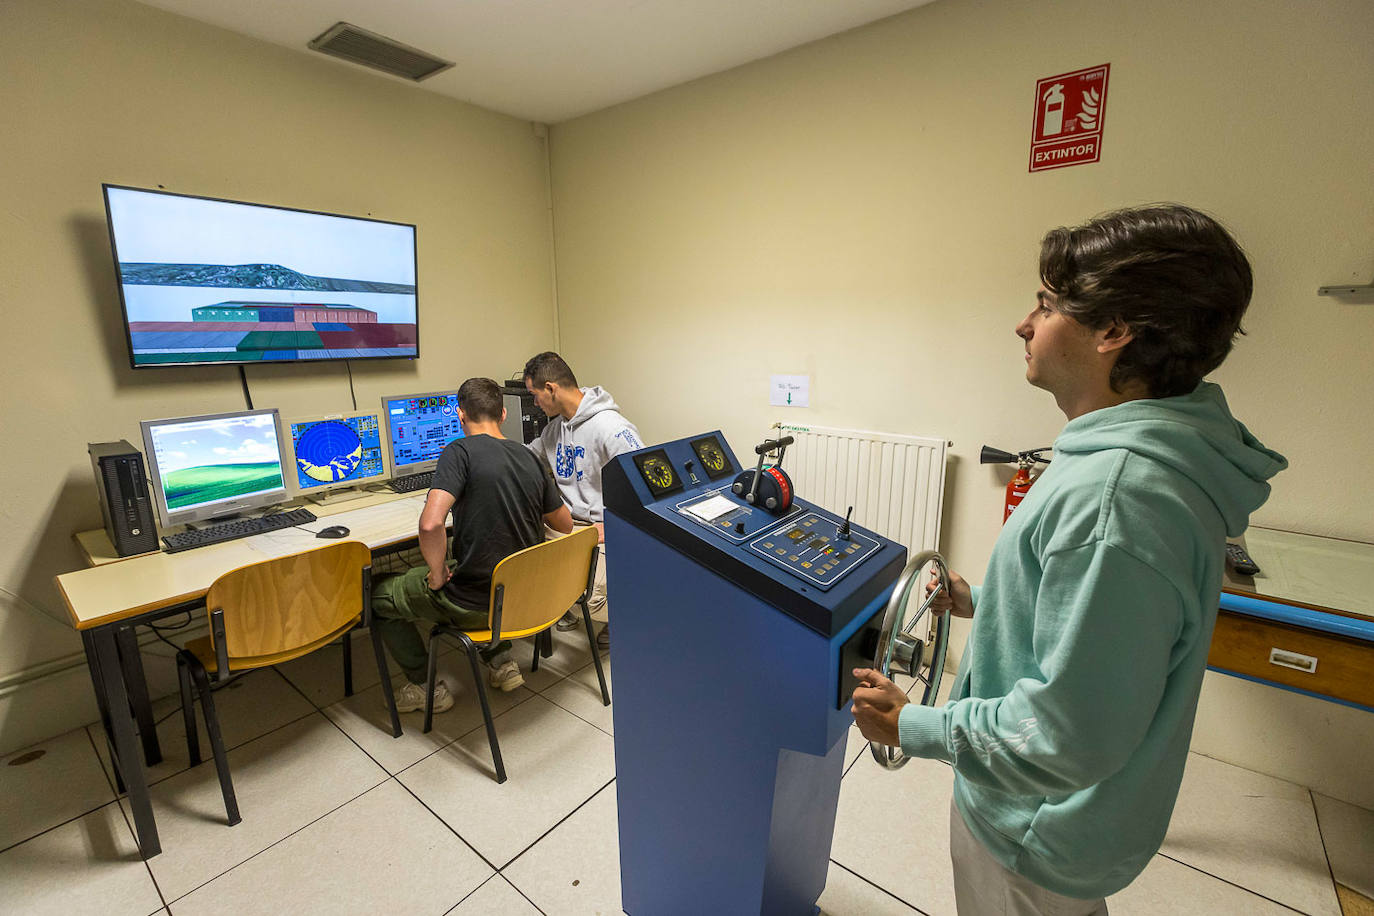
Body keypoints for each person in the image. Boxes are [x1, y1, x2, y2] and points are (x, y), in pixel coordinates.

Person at [851, 205, 1287, 914]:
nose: (1025, 323)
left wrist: (913, 725)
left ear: (1114, 332)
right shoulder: (1148, 456)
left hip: (1034, 829)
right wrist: (984, 601)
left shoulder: (1118, 498)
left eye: (1048, 305)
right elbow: (1097, 636)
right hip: (1071, 823)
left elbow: (1066, 734)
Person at [372, 377, 572, 714]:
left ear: (460, 415)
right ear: (504, 414)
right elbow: (564, 525)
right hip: (522, 599)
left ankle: (426, 687)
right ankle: (503, 661)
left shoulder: (458, 452)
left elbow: (431, 523)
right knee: (485, 566)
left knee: (377, 594)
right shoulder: (530, 458)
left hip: (476, 601)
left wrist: (436, 574)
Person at [523, 351, 642, 650]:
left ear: (550, 388)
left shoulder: (611, 428)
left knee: (592, 594)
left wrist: (613, 527)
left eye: (534, 395)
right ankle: (562, 604)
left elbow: (643, 488)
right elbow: (527, 458)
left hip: (599, 528)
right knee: (521, 560)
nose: (534, 404)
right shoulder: (555, 428)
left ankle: (623, 615)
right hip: (566, 525)